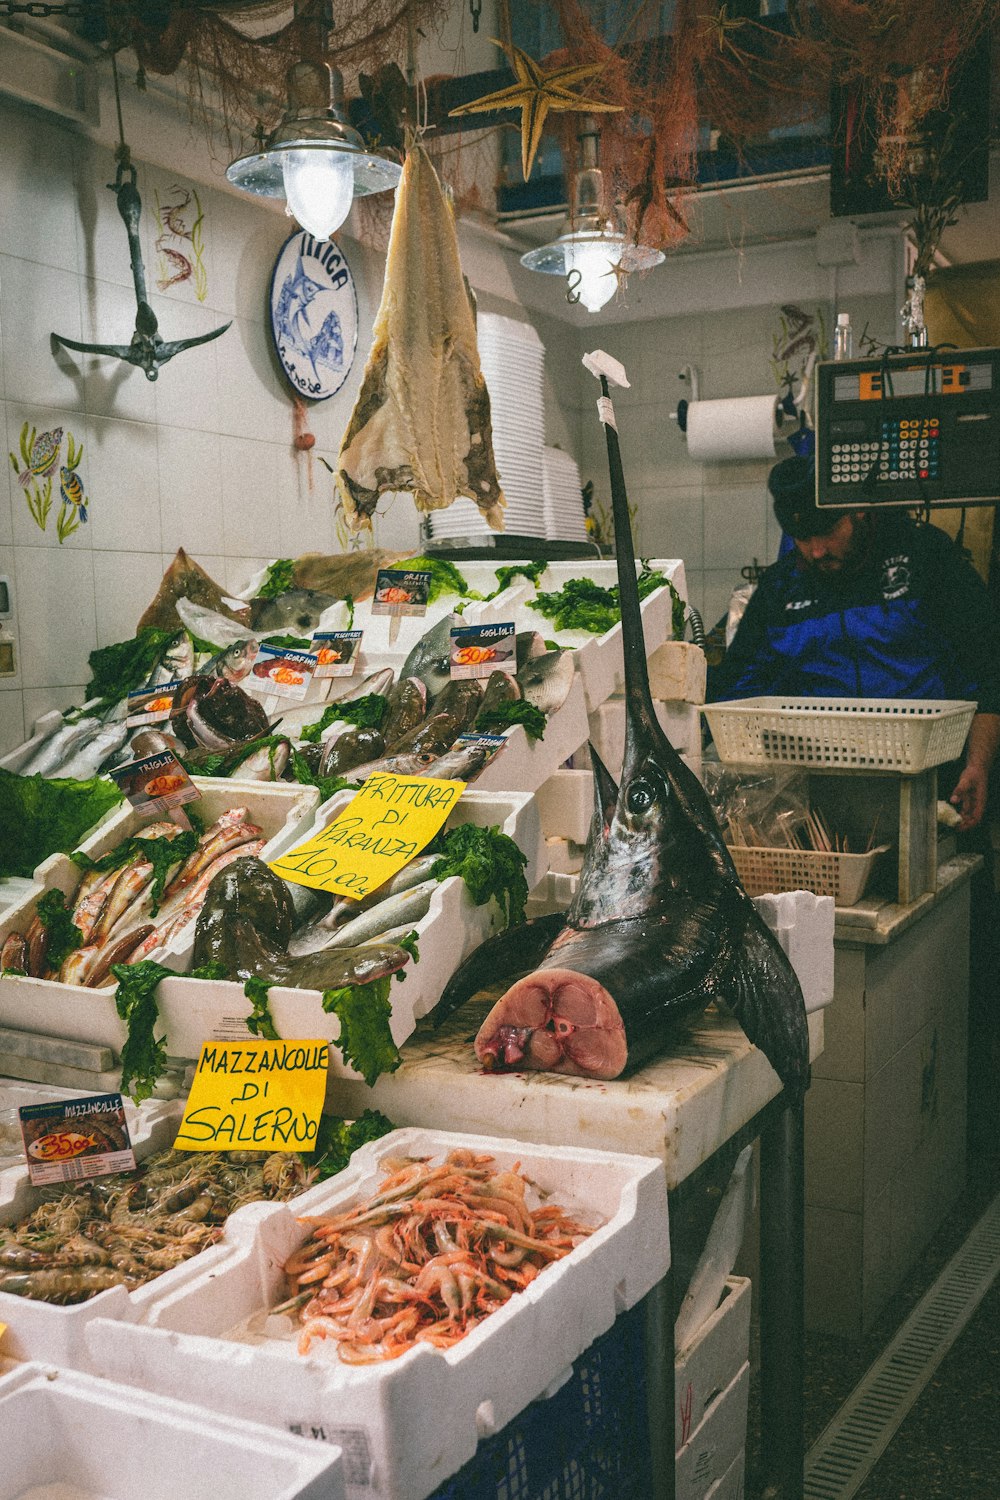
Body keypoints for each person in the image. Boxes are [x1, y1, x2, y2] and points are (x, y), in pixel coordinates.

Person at [710, 454, 1000, 831]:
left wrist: (978, 764)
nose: (816, 550)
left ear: (859, 511)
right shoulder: (780, 590)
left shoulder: (925, 557)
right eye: (802, 538)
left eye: (828, 531)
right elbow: (739, 690)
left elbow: (986, 669)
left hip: (935, 792)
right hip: (819, 810)